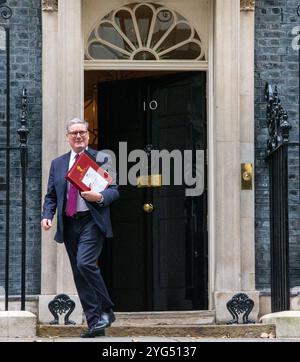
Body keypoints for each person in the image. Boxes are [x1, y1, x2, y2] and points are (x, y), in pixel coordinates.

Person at [41, 118, 119, 338]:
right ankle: (96, 323)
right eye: (74, 133)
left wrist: (100, 196)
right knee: (78, 272)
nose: (78, 136)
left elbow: (114, 190)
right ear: (68, 137)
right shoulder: (58, 163)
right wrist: (48, 216)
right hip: (69, 223)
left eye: (82, 132)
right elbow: (51, 196)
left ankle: (106, 309)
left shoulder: (101, 158)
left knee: (85, 263)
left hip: (92, 221)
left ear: (88, 135)